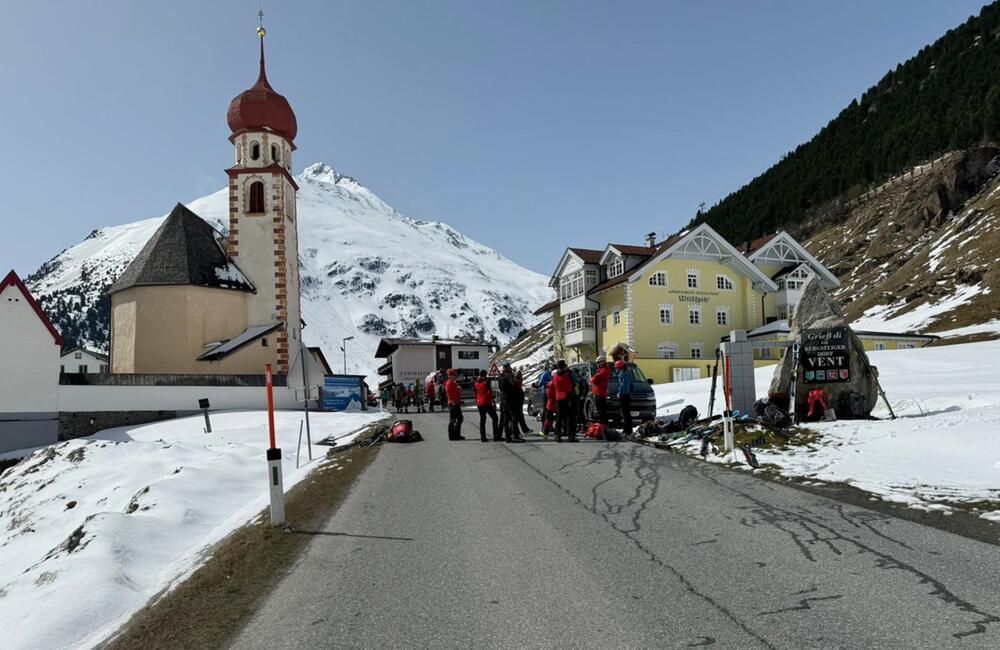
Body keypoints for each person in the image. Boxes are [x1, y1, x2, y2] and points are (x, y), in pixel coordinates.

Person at [497, 362, 524, 443]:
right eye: (509, 367)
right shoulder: (508, 375)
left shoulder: (500, 376)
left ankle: (507, 437)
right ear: (507, 368)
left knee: (505, 418)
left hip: (503, 398)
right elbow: (513, 384)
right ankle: (515, 436)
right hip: (510, 399)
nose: (510, 368)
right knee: (514, 417)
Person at [552, 360, 576, 442]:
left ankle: (558, 435)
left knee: (559, 417)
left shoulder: (555, 375)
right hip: (567, 396)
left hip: (558, 397)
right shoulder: (567, 375)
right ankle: (571, 436)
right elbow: (571, 385)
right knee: (569, 417)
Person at [473, 370, 500, 442]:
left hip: (479, 403)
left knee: (482, 420)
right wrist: (493, 402)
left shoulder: (475, 383)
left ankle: (483, 437)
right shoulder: (487, 382)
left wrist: (477, 402)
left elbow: (475, 394)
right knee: (495, 418)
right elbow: (489, 393)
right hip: (486, 402)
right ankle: (496, 436)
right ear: (485, 375)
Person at [444, 369, 466, 440]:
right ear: (450, 375)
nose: (455, 376)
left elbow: (455, 393)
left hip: (455, 402)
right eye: (453, 375)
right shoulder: (449, 383)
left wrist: (459, 389)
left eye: (455, 374)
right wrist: (452, 402)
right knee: (454, 419)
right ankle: (453, 436)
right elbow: (449, 393)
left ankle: (456, 435)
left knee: (458, 419)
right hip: (453, 403)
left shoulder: (452, 382)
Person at [616, 359, 634, 435]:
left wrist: (619, 393)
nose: (616, 369)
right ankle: (629, 430)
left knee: (624, 414)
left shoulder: (622, 374)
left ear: (620, 367)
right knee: (627, 413)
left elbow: (622, 385)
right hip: (628, 395)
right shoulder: (629, 373)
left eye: (616, 367)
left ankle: (626, 430)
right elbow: (631, 385)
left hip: (623, 396)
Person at [591, 357, 611, 424]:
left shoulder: (603, 370)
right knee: (602, 411)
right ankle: (603, 425)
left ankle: (603, 426)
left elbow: (594, 379)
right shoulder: (604, 369)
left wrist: (593, 377)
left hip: (600, 393)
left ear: (602, 362)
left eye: (598, 362)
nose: (597, 364)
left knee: (601, 411)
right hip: (601, 392)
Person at [513, 370, 532, 434]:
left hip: (517, 402)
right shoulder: (516, 383)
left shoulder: (516, 382)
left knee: (518, 417)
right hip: (517, 403)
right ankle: (517, 431)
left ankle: (522, 430)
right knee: (517, 417)